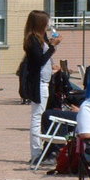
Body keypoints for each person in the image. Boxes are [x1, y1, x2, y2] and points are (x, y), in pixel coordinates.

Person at [24, 9, 62, 165]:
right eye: (46, 21)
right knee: (37, 117)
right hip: (38, 83)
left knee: (41, 116)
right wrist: (53, 47)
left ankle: (43, 151)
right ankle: (36, 152)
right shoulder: (32, 39)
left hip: (45, 80)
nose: (48, 24)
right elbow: (39, 60)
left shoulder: (41, 38)